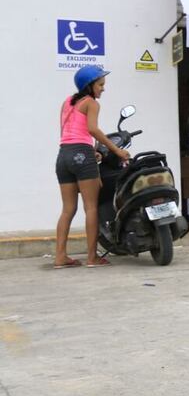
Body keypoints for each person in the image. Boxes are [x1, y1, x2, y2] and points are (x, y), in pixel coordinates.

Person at [54, 65, 131, 268]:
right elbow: (92, 130)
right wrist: (117, 151)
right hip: (81, 155)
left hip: (63, 156)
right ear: (90, 86)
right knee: (91, 207)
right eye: (100, 84)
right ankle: (92, 257)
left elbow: (70, 132)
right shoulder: (91, 103)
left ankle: (60, 257)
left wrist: (92, 151)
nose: (103, 89)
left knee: (67, 209)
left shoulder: (67, 102)